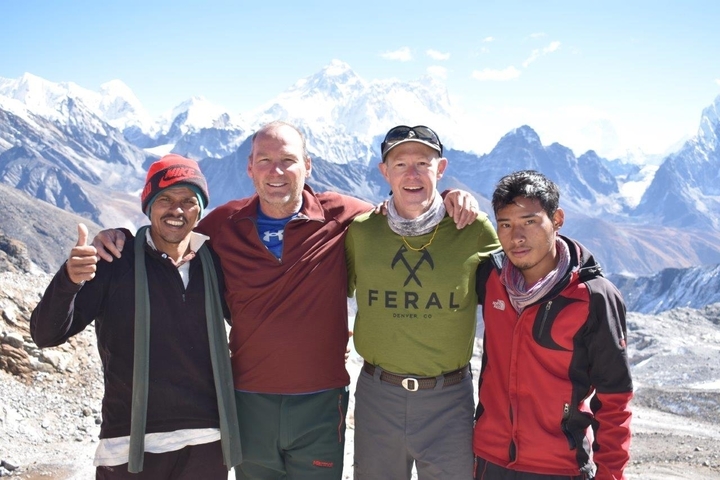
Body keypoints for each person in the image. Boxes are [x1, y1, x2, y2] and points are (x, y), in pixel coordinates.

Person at [92, 121, 479, 479]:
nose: (276, 171)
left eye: (288, 161)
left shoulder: (346, 217)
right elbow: (170, 237)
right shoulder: (221, 226)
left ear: (308, 165)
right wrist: (119, 238)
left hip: (321, 402)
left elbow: (406, 207)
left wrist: (449, 198)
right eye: (265, 161)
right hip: (248, 401)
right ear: (250, 168)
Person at [30, 154, 242, 479]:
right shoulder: (115, 260)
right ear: (148, 206)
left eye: (189, 201)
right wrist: (69, 280)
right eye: (165, 200)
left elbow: (252, 321)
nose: (177, 210)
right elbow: (45, 334)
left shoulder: (214, 264)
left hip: (207, 444)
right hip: (128, 448)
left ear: (201, 209)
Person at [345, 125, 501, 479]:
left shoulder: (473, 229)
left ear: (440, 169)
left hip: (448, 400)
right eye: (400, 164)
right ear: (384, 171)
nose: (412, 174)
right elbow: (331, 292)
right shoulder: (362, 232)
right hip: (377, 397)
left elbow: (513, 295)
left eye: (423, 163)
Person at [473, 170, 633, 480]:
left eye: (530, 222)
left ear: (556, 219)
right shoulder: (490, 277)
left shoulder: (594, 296)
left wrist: (610, 475)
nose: (516, 237)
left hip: (560, 468)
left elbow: (615, 398)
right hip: (488, 461)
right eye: (505, 224)